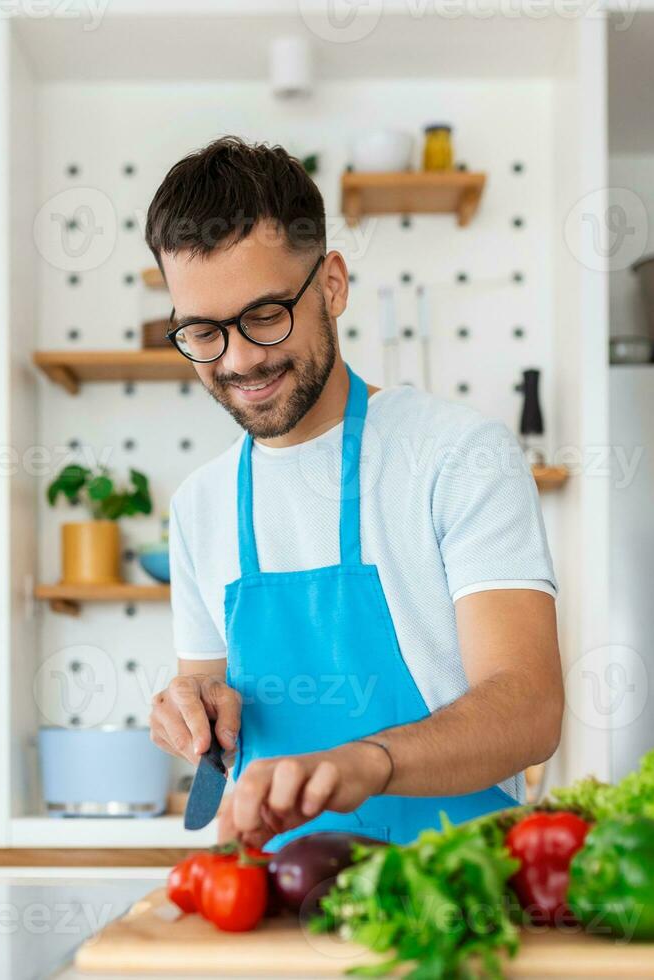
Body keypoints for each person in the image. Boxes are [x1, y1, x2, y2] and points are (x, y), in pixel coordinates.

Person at [145, 137, 563, 850]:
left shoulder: (457, 455)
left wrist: (370, 762)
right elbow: (215, 717)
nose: (239, 358)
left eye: (266, 314)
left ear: (332, 284)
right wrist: (191, 711)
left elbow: (528, 708)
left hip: (453, 897)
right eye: (204, 332)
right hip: (275, 907)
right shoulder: (199, 504)